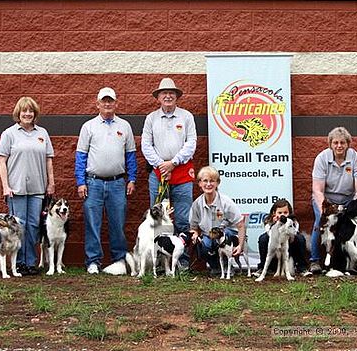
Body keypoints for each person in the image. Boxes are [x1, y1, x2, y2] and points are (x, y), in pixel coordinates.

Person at [75, 87, 137, 275]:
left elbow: (131, 156)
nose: (108, 104)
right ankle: (93, 261)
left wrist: (132, 178)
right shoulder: (88, 127)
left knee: (118, 223)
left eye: (111, 101)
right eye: (104, 101)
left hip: (118, 183)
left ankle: (119, 260)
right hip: (93, 183)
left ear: (116, 103)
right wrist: (80, 182)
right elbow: (81, 156)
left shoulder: (124, 126)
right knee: (93, 223)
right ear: (98, 104)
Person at [141, 77, 197, 268]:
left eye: (171, 93)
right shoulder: (151, 118)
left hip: (181, 174)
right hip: (159, 175)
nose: (167, 96)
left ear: (176, 97)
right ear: (158, 97)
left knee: (182, 219)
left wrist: (173, 163)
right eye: (164, 93)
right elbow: (146, 145)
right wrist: (161, 165)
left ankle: (182, 263)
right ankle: (160, 263)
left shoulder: (186, 117)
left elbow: (191, 144)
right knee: (159, 220)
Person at [0, 96, 55, 276]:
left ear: (35, 113)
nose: (27, 114)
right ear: (18, 113)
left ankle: (30, 262)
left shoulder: (42, 133)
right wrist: (6, 186)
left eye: (31, 111)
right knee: (17, 227)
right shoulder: (9, 134)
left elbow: (48, 160)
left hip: (38, 189)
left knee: (33, 225)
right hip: (16, 189)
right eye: (24, 111)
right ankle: (19, 263)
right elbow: (1, 161)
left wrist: (51, 183)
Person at [310, 126, 357, 273]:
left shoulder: (356, 158)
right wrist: (325, 209)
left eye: (342, 142)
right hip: (326, 200)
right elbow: (317, 189)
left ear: (348, 144)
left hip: (349, 199)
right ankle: (314, 261)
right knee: (319, 223)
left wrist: (355, 207)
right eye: (335, 143)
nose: (339, 146)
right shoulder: (322, 158)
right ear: (330, 144)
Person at [189, 166, 245, 275]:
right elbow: (193, 228)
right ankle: (216, 267)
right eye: (205, 181)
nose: (208, 184)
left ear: (217, 183)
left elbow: (241, 224)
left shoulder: (226, 202)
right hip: (209, 236)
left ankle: (227, 265)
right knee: (203, 245)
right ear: (200, 183)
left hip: (226, 235)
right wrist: (194, 235)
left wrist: (240, 245)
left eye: (212, 181)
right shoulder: (196, 205)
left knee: (226, 234)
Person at [253, 199, 312, 277]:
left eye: (285, 213)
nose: (282, 215)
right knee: (263, 239)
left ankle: (302, 267)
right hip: (274, 246)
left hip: (289, 246)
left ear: (289, 213)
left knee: (300, 238)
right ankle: (263, 268)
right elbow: (270, 234)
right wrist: (275, 225)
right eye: (280, 213)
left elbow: (294, 234)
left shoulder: (292, 222)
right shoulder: (269, 221)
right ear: (274, 213)